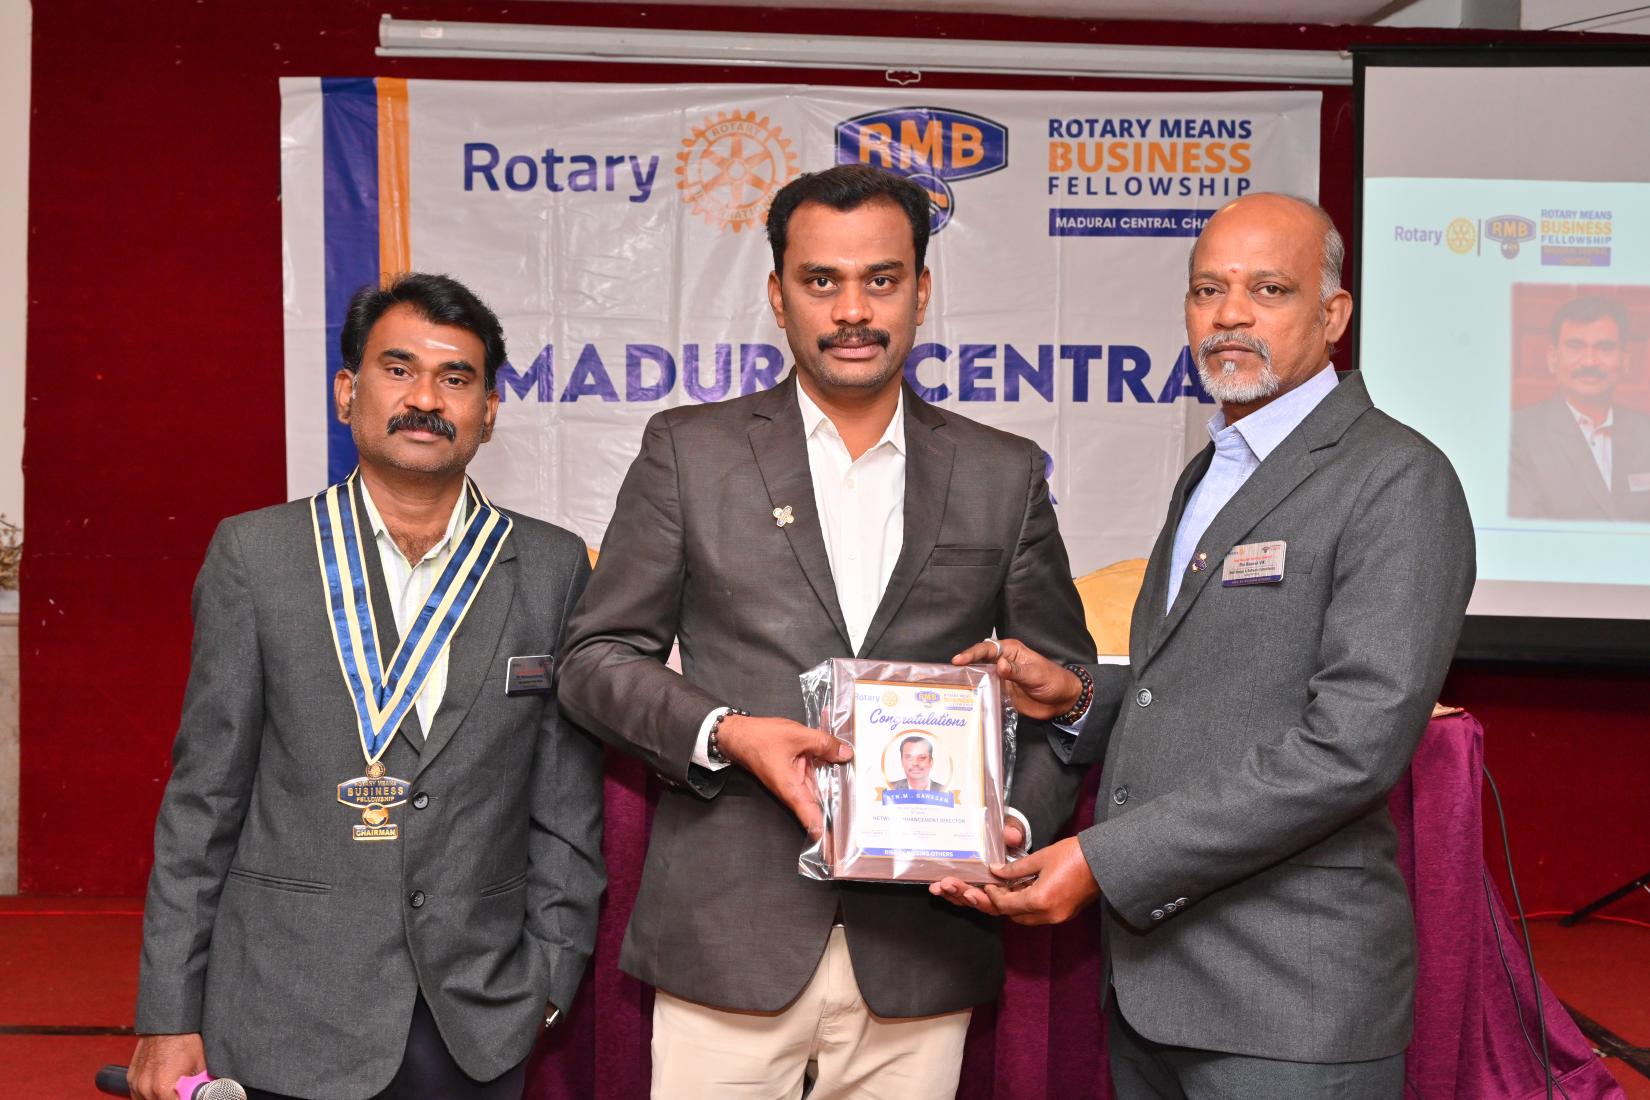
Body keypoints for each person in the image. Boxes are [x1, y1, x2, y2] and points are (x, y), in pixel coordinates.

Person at [557, 164, 1095, 1100]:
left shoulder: (1002, 475)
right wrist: (727, 732)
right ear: (778, 295)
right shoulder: (690, 452)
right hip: (729, 939)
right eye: (821, 281)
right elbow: (595, 660)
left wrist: (1004, 823)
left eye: (881, 279)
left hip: (923, 944)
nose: (853, 310)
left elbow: (1064, 686)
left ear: (921, 291)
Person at [936, 193, 1477, 1098]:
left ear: (1333, 315)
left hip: (1291, 1002)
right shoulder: (1212, 471)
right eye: (1207, 290)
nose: (1230, 314)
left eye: (1269, 289)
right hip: (1157, 987)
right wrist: (1075, 697)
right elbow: (1196, 689)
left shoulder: (1397, 479)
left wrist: (1103, 862)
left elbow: (1350, 750)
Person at [128, 274, 605, 1100]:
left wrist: (552, 975)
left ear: (490, 410)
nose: (426, 398)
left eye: (456, 378)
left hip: (479, 1013)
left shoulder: (553, 565)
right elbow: (203, 801)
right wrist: (167, 1014)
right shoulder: (257, 557)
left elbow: (566, 800)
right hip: (285, 1008)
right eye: (398, 369)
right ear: (348, 392)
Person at [1509, 295, 1650, 522]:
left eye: (1604, 347)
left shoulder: (1646, 431)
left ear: (1625, 360)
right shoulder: (1517, 434)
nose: (1589, 361)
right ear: (1553, 358)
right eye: (1576, 347)